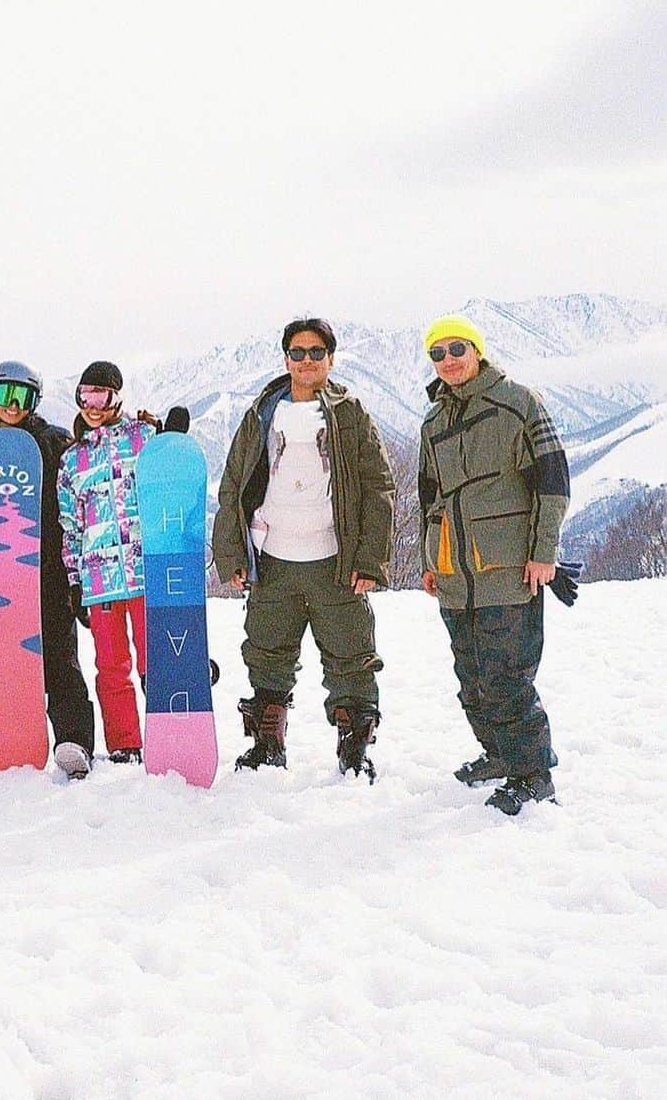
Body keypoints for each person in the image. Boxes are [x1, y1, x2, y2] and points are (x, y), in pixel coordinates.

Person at [213, 317, 394, 777]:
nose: (307, 360)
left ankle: (354, 749)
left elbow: (378, 486)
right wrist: (233, 555)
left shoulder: (349, 413)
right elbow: (234, 484)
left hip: (336, 559)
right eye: (298, 352)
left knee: (351, 655)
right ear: (286, 358)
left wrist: (371, 559)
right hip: (273, 556)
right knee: (267, 652)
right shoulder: (262, 412)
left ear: (331, 359)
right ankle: (267, 744)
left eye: (317, 353)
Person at [418, 314, 568, 815]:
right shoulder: (434, 423)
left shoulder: (517, 403)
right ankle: (499, 756)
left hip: (508, 570)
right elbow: (428, 499)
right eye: (437, 354)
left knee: (508, 677)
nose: (448, 361)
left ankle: (533, 773)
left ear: (477, 351)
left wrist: (543, 553)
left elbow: (552, 481)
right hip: (455, 575)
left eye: (457, 349)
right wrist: (430, 561)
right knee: (472, 678)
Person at [0, 360, 96, 779]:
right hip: (3, 569)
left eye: (22, 397)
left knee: (59, 651)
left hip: (50, 566)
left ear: (35, 402)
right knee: (10, 654)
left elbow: (94, 459)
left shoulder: (53, 441)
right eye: (5, 395)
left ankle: (74, 739)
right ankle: (10, 729)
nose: (13, 405)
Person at [56, 361, 155, 763]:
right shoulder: (73, 460)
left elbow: (171, 482)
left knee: (157, 660)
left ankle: (168, 728)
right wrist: (75, 581)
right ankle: (125, 744)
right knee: (112, 667)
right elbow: (70, 526)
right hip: (101, 580)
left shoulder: (144, 437)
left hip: (147, 573)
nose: (93, 406)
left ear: (117, 398)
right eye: (85, 397)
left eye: (102, 396)